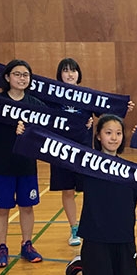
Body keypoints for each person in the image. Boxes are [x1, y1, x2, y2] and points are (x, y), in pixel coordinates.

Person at [64, 115, 137, 275]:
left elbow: (135, 198)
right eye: (108, 133)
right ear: (98, 136)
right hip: (96, 236)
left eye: (118, 133)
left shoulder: (130, 170)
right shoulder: (87, 164)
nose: (114, 138)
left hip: (123, 235)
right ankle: (76, 268)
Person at [0, 59, 44, 268]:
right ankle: (1, 247)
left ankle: (27, 244)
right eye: (17, 74)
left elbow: (52, 128)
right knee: (2, 208)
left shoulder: (36, 105)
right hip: (0, 165)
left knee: (27, 207)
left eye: (25, 75)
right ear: (8, 77)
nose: (22, 78)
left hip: (26, 165)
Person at [49, 58, 91, 247]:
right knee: (68, 190)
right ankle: (74, 228)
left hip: (84, 153)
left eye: (73, 70)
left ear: (78, 74)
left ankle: (90, 226)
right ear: (60, 74)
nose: (70, 74)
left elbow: (107, 114)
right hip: (62, 152)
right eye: (65, 70)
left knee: (90, 189)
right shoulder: (52, 97)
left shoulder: (89, 96)